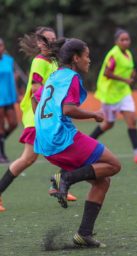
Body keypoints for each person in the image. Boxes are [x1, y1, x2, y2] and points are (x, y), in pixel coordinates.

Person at [33, 38, 121, 247]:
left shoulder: (55, 76)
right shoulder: (71, 77)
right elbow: (68, 109)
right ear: (76, 58)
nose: (89, 60)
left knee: (103, 181)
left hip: (45, 139)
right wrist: (94, 115)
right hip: (60, 137)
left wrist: (43, 122)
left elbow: (36, 97)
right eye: (87, 56)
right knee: (114, 165)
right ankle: (64, 178)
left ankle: (84, 235)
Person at [0, 27, 75, 213]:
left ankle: (60, 184)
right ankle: (59, 184)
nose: (51, 42)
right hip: (37, 116)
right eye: (47, 39)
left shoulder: (55, 61)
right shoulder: (40, 62)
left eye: (54, 39)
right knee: (27, 159)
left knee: (67, 145)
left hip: (47, 115)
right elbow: (36, 89)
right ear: (40, 43)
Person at [90, 29, 137, 164]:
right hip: (110, 95)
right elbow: (107, 73)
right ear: (116, 42)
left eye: (127, 39)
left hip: (124, 93)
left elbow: (129, 70)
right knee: (108, 124)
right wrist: (125, 80)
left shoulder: (128, 54)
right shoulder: (113, 55)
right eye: (122, 40)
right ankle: (87, 144)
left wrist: (132, 75)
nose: (125, 42)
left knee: (132, 121)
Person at [0, 38, 18, 163]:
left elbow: (12, 78)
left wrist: (15, 94)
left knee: (13, 123)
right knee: (0, 127)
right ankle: (1, 155)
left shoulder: (9, 60)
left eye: (1, 45)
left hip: (9, 97)